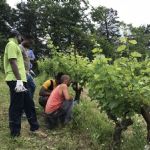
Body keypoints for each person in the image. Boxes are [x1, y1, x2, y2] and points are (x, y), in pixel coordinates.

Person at [3, 29, 45, 137]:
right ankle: (15, 134)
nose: (21, 38)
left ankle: (34, 128)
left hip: (21, 80)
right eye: (20, 36)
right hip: (15, 80)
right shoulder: (11, 44)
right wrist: (18, 80)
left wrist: (21, 79)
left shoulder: (15, 46)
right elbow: (12, 61)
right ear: (17, 36)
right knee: (16, 106)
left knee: (29, 104)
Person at [20, 35, 36, 99]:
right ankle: (27, 104)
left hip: (27, 71)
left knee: (32, 86)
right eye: (30, 43)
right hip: (22, 72)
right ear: (26, 40)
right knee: (28, 87)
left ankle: (29, 102)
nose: (30, 45)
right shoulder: (20, 47)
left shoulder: (27, 49)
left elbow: (33, 58)